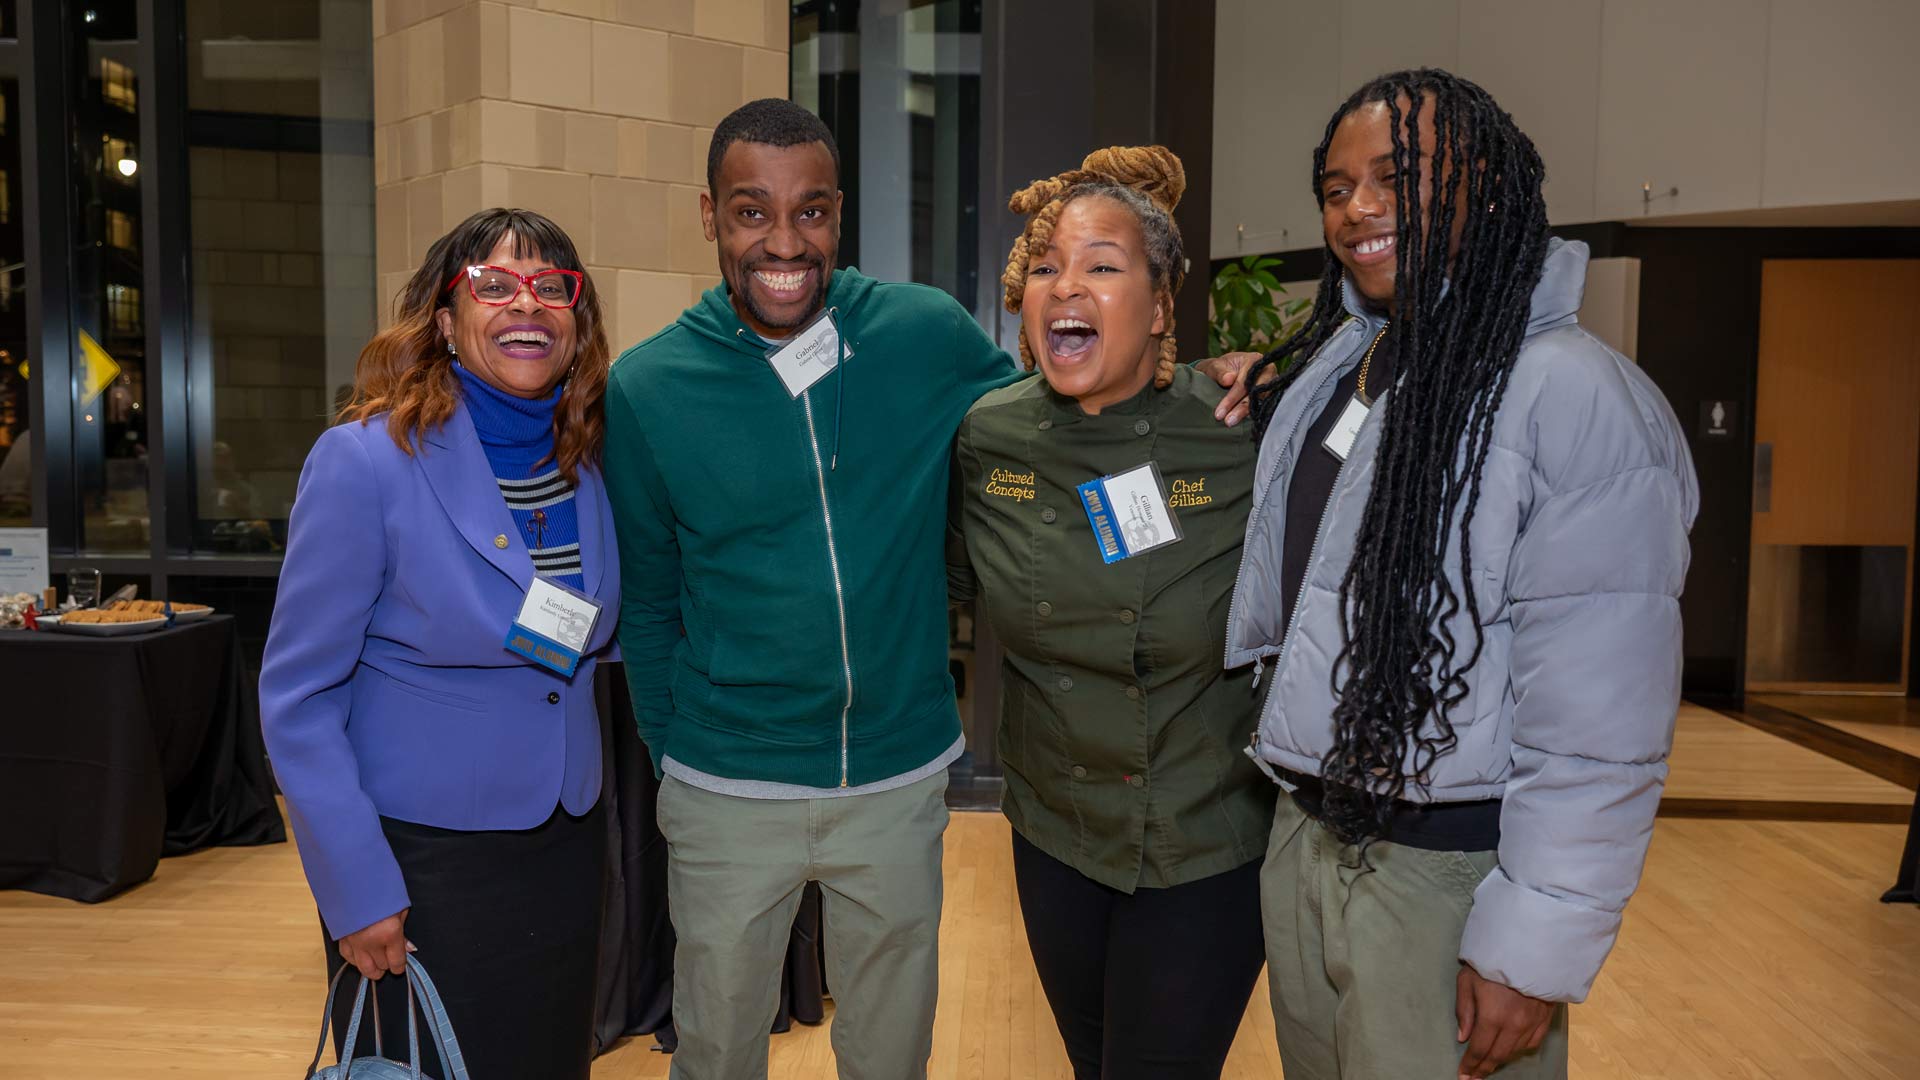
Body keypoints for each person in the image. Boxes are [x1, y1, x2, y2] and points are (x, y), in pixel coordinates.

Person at [1216, 69, 1700, 1079]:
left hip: (1447, 876)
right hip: (1307, 842)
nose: (1359, 208)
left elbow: (1601, 723)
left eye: (1398, 176)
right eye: (1337, 186)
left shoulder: (1575, 399)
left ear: (1490, 182)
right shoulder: (1346, 368)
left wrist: (1533, 945)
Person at [260, 208, 621, 1079]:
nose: (525, 305)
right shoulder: (365, 463)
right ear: (447, 321)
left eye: (550, 288)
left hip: (566, 845)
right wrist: (356, 889)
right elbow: (297, 700)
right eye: (493, 286)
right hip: (420, 867)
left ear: (577, 327)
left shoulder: (590, 466)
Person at [948, 146, 1273, 1078]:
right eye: (1047, 266)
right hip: (1055, 832)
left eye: (1101, 266)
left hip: (1205, 836)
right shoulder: (991, 435)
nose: (1065, 287)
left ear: (1163, 305)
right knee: (1092, 1061)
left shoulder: (1241, 425)